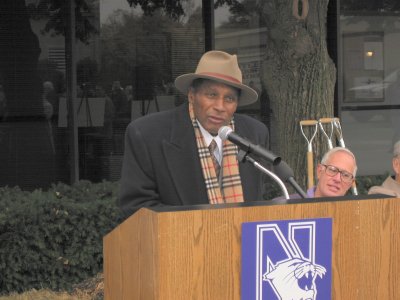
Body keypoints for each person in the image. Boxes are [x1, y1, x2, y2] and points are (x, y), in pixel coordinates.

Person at [118, 50, 270, 217]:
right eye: (211, 95)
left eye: (229, 99)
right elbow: (137, 207)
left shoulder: (255, 133)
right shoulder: (147, 134)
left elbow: (257, 201)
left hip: (241, 240)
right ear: (192, 95)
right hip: (178, 240)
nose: (220, 106)